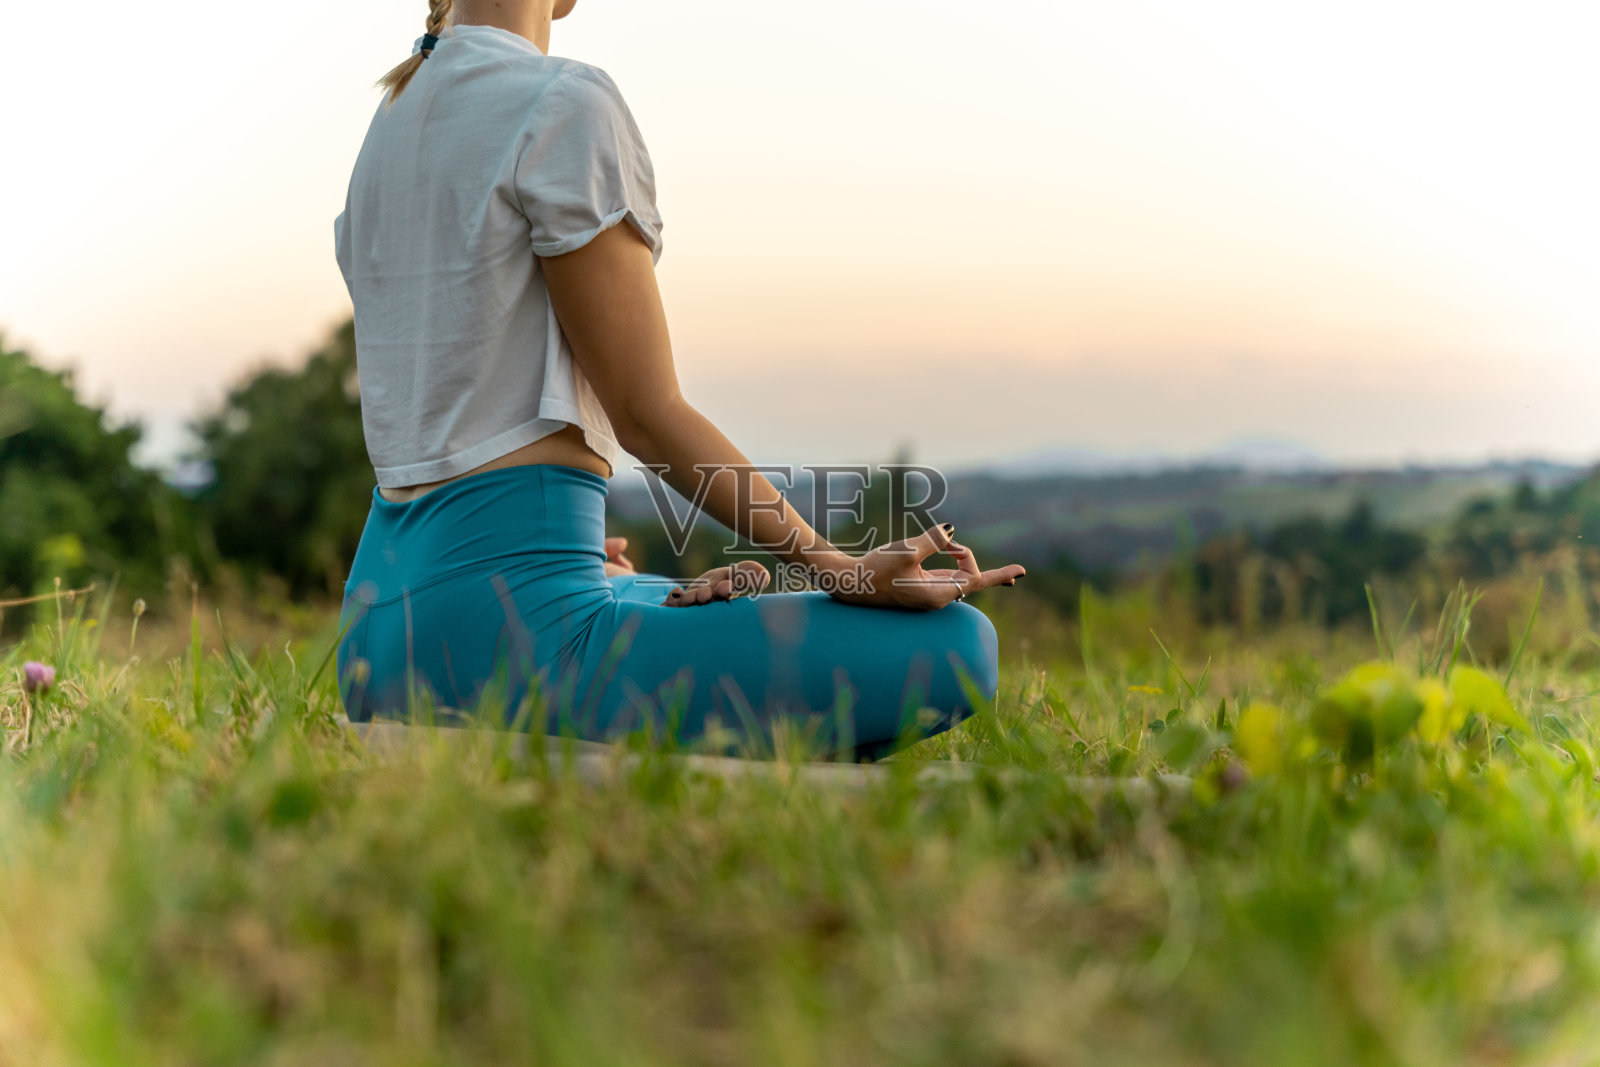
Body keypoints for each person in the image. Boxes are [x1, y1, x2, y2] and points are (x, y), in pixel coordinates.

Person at [332, 0, 1026, 760]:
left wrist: (585, 566)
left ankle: (612, 608)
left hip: (375, 637)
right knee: (960, 646)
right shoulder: (560, 102)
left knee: (673, 592)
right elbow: (648, 414)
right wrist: (844, 570)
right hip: (510, 639)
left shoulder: (389, 124)